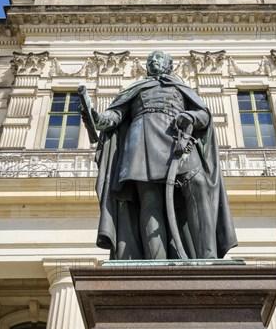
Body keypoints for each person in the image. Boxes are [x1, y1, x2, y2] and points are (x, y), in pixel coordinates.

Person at [85, 51, 237, 260]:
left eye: (158, 59)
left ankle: (207, 257)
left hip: (179, 140)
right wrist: (97, 119)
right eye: (150, 60)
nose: (153, 61)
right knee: (149, 200)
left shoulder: (181, 88)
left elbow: (203, 115)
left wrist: (190, 116)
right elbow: (116, 115)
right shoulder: (135, 89)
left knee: (198, 184)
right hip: (141, 141)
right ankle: (156, 263)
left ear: (168, 65)